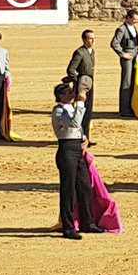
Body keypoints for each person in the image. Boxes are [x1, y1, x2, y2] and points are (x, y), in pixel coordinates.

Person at [52, 82, 101, 240]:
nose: (72, 94)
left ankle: (88, 223)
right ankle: (68, 228)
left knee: (85, 186)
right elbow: (74, 123)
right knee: (69, 191)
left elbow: (78, 128)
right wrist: (80, 103)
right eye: (68, 92)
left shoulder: (70, 109)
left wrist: (85, 138)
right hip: (66, 151)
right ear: (60, 96)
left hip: (77, 150)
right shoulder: (58, 110)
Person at [65, 29, 97, 142]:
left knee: (88, 111)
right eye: (90, 38)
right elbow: (71, 70)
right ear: (84, 40)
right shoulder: (79, 52)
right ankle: (79, 137)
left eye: (94, 38)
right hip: (82, 86)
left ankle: (86, 137)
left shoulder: (91, 51)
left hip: (90, 83)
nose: (93, 40)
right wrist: (78, 82)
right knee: (81, 111)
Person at [110, 9, 138, 118]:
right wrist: (122, 54)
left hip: (134, 56)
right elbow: (114, 43)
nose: (136, 21)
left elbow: (134, 43)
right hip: (127, 58)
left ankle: (131, 107)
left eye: (137, 20)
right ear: (128, 18)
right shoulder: (122, 29)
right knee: (126, 82)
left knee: (133, 81)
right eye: (134, 19)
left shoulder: (133, 27)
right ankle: (124, 110)